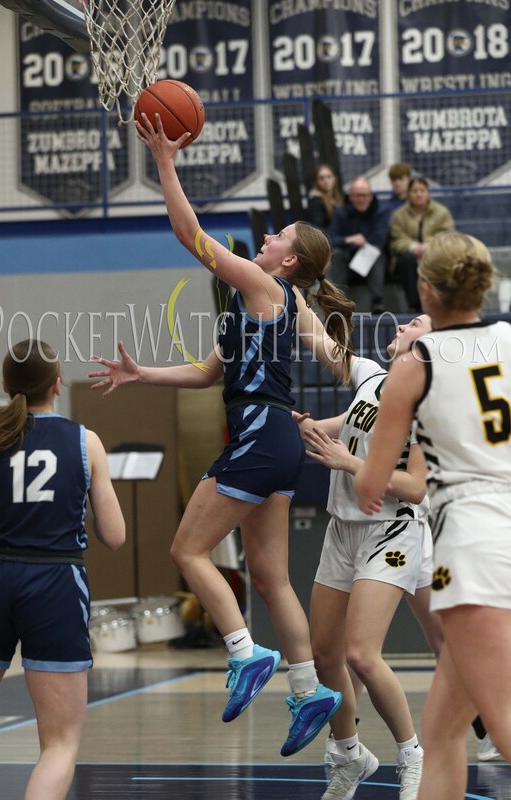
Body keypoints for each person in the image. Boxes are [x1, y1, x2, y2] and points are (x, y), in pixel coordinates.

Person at [89, 111, 357, 757]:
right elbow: (211, 371)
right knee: (270, 577)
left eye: (277, 234)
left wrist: (164, 162)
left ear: (286, 259)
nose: (265, 235)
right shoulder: (268, 303)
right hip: (277, 441)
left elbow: (190, 235)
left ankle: (243, 652)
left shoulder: (265, 286)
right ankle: (307, 690)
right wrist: (141, 373)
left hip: (260, 434)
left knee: (186, 552)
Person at [354, 232, 511, 800]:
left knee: (504, 722)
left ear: (425, 290)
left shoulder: (417, 362)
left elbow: (372, 482)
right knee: (443, 730)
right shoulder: (508, 338)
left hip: (472, 541)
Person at [0, 339, 125, 800]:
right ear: (57, 386)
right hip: (55, 583)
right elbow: (115, 535)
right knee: (59, 746)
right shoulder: (86, 442)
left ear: (5, 385)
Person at [297, 314, 432, 800]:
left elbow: (416, 488)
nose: (407, 322)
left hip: (391, 530)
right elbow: (314, 334)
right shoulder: (371, 375)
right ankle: (350, 755)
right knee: (325, 653)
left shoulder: (425, 407)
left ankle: (412, 753)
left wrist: (349, 462)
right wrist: (278, 286)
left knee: (361, 654)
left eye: (419, 323)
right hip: (342, 528)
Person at [389, 176, 455, 312]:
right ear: (408, 194)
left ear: (428, 192)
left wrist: (428, 245)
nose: (418, 194)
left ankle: (439, 304)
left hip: (434, 253)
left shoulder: (442, 212)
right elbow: (395, 240)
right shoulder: (398, 215)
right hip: (409, 257)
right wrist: (412, 246)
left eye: (422, 190)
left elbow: (448, 235)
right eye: (414, 191)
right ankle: (414, 306)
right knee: (407, 260)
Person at [327, 176, 390, 315]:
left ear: (371, 196)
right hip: (347, 261)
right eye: (357, 195)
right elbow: (330, 239)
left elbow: (379, 241)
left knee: (376, 254)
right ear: (350, 197)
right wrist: (349, 240)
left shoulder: (381, 212)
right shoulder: (341, 212)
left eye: (364, 195)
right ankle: (339, 301)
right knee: (337, 255)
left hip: (369, 260)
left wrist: (361, 244)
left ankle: (377, 302)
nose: (361, 199)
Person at [307, 164, 344, 232]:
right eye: (321, 178)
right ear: (316, 182)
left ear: (335, 178)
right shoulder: (316, 201)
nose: (326, 181)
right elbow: (319, 229)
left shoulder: (337, 198)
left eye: (329, 177)